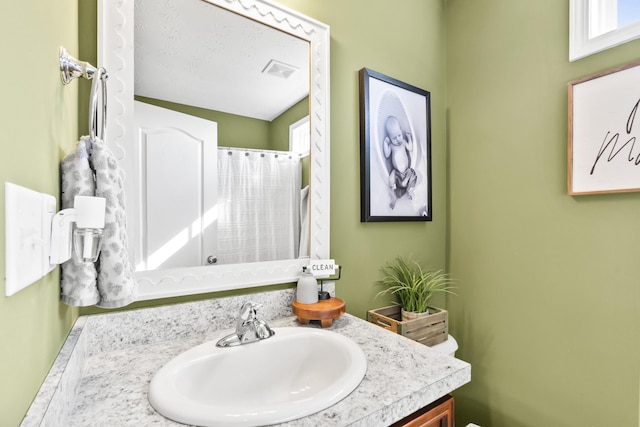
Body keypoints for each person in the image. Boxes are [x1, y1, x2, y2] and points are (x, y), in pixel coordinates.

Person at [383, 115, 417, 209]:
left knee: (413, 173)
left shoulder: (403, 142)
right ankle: (393, 196)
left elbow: (410, 148)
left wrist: (409, 138)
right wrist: (386, 143)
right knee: (392, 175)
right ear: (389, 137)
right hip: (397, 174)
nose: (398, 139)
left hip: (406, 172)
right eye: (394, 138)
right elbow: (386, 154)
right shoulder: (391, 146)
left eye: (399, 135)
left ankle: (410, 189)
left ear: (400, 130)